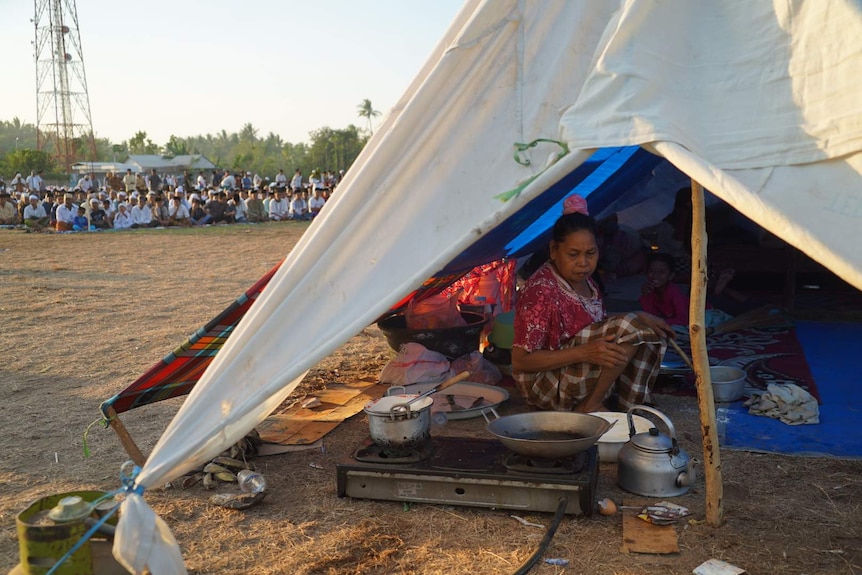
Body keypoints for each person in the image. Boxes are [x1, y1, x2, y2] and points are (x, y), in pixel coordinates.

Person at [511, 195, 673, 413]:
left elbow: (597, 327)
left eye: (591, 253)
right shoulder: (540, 290)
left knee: (644, 330)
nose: (583, 263)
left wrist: (638, 315)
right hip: (543, 385)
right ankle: (591, 404)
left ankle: (626, 406)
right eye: (573, 254)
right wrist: (584, 352)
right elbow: (521, 361)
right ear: (553, 250)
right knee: (630, 327)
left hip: (572, 372)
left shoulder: (588, 283)